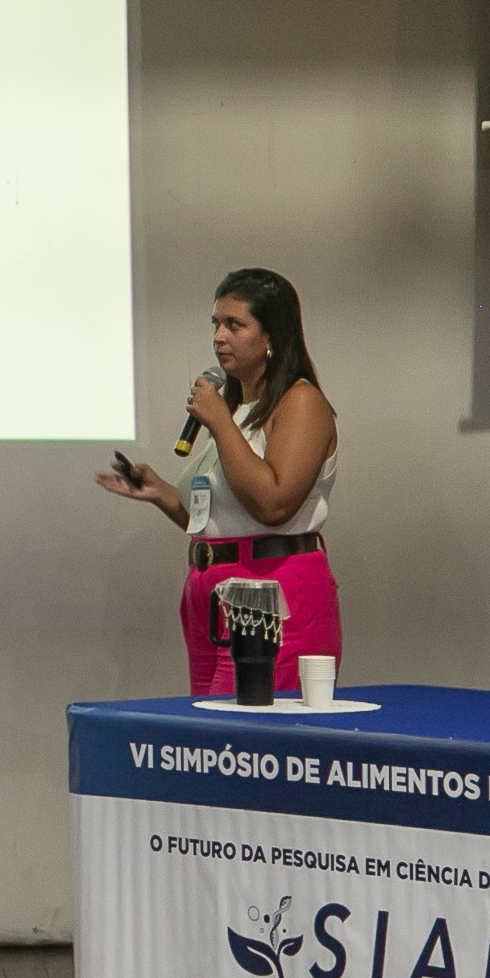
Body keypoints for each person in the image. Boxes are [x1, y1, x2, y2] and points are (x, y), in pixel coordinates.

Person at [95, 268, 343, 697]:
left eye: (234, 325)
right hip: (209, 593)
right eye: (216, 324)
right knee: (208, 725)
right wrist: (161, 493)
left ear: (271, 336)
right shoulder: (237, 406)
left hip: (273, 590)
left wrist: (220, 422)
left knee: (249, 727)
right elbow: (226, 520)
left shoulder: (300, 401)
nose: (219, 337)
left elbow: (273, 506)